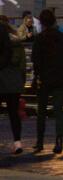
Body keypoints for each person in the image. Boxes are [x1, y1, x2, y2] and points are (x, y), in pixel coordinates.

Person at [31, 8, 63, 154]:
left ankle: (40, 142)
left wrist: (38, 75)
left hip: (44, 79)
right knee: (58, 111)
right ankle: (59, 141)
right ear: (54, 20)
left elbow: (35, 60)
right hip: (60, 77)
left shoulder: (39, 39)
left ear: (41, 23)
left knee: (41, 111)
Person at [0, 20, 26, 154]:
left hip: (1, 80)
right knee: (14, 114)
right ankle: (17, 142)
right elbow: (22, 65)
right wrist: (22, 81)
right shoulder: (17, 44)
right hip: (14, 82)